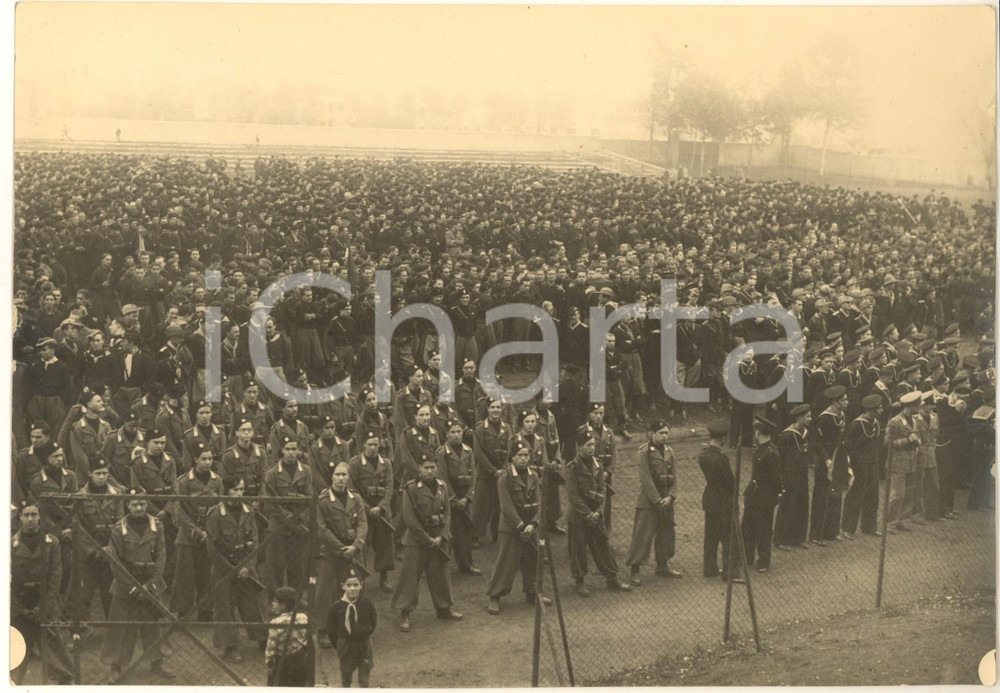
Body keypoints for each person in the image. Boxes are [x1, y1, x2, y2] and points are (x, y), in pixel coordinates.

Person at [101, 494, 175, 683]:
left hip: (151, 583)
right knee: (120, 628)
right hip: (125, 586)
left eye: (142, 504)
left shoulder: (157, 526)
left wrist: (151, 584)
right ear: (128, 505)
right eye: (135, 504)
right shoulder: (118, 529)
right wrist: (132, 588)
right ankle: (115, 666)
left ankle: (157, 662)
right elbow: (115, 562)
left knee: (154, 626)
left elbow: (161, 556)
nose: (139, 508)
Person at [391, 456, 463, 633]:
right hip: (417, 540)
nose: (430, 471)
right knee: (409, 577)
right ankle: (405, 611)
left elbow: (447, 514)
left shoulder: (442, 486)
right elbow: (409, 518)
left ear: (437, 467)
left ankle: (444, 608)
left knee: (441, 575)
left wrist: (442, 536)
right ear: (419, 468)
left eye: (432, 467)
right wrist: (426, 539)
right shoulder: (411, 488)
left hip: (439, 538)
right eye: (426, 467)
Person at [205, 476, 267, 664]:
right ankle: (230, 645)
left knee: (253, 604)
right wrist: (231, 569)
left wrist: (248, 566)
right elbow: (212, 549)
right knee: (225, 608)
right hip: (224, 570)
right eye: (235, 490)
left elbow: (254, 541)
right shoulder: (215, 514)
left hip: (246, 567)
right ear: (226, 492)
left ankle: (262, 638)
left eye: (241, 489)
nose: (240, 493)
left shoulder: (248, 511)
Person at [11, 502, 75, 685]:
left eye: (34, 515)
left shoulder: (51, 542)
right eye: (26, 515)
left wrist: (44, 605)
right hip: (20, 603)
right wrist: (19, 608)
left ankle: (65, 679)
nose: (30, 519)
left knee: (52, 641)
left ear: (40, 517)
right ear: (20, 517)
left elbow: (56, 576)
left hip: (44, 601)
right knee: (18, 646)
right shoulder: (10, 544)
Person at [486, 442, 553, 614]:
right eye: (519, 455)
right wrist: (521, 526)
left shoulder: (534, 475)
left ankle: (533, 592)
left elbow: (539, 501)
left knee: (533, 559)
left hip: (530, 526)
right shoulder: (504, 479)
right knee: (505, 562)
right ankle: (495, 596)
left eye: (526, 455)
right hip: (511, 528)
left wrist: (533, 524)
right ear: (512, 458)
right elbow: (506, 506)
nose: (523, 459)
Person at [565, 430, 632, 596]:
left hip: (596, 514)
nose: (592, 448)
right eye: (588, 445)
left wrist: (598, 512)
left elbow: (603, 489)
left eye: (593, 445)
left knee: (604, 545)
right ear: (579, 447)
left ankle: (612, 578)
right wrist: (588, 514)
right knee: (578, 550)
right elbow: (573, 495)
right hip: (579, 516)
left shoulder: (598, 465)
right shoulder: (572, 467)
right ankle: (580, 581)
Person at [69, 458, 124, 647]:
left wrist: (110, 549)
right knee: (83, 595)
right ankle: (78, 634)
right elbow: (77, 525)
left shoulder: (116, 494)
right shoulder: (80, 496)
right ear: (90, 474)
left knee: (110, 594)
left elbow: (119, 524)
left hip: (109, 553)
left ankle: (113, 635)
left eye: (105, 473)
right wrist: (92, 550)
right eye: (98, 473)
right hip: (87, 555)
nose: (102, 477)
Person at [314, 461, 369, 649]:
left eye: (344, 475)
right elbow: (322, 529)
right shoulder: (323, 501)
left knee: (355, 587)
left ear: (348, 477)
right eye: (337, 475)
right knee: (326, 591)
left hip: (353, 551)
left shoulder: (356, 498)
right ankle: (323, 629)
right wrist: (341, 549)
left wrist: (356, 546)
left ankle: (357, 625)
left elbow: (362, 524)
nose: (341, 478)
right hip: (332, 552)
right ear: (332, 477)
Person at [170, 442, 223, 621]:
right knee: (185, 576)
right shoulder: (184, 481)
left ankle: (205, 611)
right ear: (195, 460)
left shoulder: (217, 480)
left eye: (210, 459)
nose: (208, 462)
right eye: (204, 459)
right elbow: (180, 513)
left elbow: (221, 507)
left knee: (207, 576)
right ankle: (183, 611)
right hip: (188, 537)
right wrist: (197, 532)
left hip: (210, 535)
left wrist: (211, 532)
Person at [626, 421, 682, 585]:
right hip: (649, 501)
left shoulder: (670, 451)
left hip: (667, 500)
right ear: (652, 434)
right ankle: (635, 569)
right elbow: (646, 479)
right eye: (660, 433)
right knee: (642, 535)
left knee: (666, 533)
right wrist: (657, 500)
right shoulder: (644, 452)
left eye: (666, 433)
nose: (664, 436)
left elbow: (675, 477)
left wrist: (671, 497)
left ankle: (662, 565)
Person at [262, 436, 314, 593]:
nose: (291, 452)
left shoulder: (306, 470)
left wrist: (299, 517)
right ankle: (275, 598)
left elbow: (310, 497)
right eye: (288, 449)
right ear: (282, 451)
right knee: (276, 566)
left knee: (297, 566)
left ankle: (295, 598)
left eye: (294, 449)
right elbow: (269, 503)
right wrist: (288, 517)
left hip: (299, 526)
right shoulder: (272, 473)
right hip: (279, 527)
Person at [348, 432, 396, 591]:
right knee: (362, 546)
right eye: (370, 444)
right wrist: (368, 509)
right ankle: (359, 580)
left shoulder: (386, 463)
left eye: (376, 444)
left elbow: (389, 487)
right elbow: (352, 490)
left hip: (382, 512)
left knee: (384, 546)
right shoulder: (355, 464)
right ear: (364, 444)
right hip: (363, 513)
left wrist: (380, 507)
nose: (373, 447)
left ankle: (384, 579)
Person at [436, 420, 481, 575]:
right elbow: (442, 478)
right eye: (453, 432)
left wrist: (467, 498)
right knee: (448, 532)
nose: (456, 435)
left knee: (465, 531)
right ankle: (440, 566)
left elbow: (474, 475)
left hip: (464, 497)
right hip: (449, 499)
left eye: (459, 431)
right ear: (446, 434)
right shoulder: (442, 453)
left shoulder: (468, 451)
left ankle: (466, 564)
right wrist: (454, 500)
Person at [740, 416, 783, 573]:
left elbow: (775, 479)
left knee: (763, 529)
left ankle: (764, 560)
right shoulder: (762, 449)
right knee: (748, 526)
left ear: (759, 432)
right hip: (754, 495)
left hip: (764, 497)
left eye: (756, 431)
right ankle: (748, 556)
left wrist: (774, 496)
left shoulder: (771, 452)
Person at [698, 420, 737, 581]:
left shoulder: (703, 455)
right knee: (728, 537)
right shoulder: (721, 459)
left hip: (710, 499)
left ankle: (710, 567)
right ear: (723, 438)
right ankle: (729, 572)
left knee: (711, 537)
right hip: (723, 501)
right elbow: (729, 481)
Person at [842, 395, 884, 537]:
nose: (882, 410)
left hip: (873, 462)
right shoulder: (857, 425)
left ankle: (869, 526)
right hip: (860, 464)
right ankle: (848, 528)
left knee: (873, 494)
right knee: (856, 494)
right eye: (879, 408)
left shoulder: (876, 423)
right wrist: (854, 465)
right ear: (871, 410)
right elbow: (850, 447)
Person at [327, 570, 378, 688]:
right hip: (346, 645)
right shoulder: (337, 607)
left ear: (361, 585)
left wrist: (365, 635)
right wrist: (339, 644)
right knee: (346, 675)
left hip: (364, 644)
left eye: (355, 585)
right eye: (349, 585)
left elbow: (373, 621)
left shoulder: (366, 604)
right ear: (342, 586)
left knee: (364, 677)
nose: (352, 589)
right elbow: (331, 628)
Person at [472, 399, 512, 544]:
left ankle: (496, 533)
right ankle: (475, 534)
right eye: (493, 407)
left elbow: (510, 450)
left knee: (499, 505)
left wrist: (504, 469)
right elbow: (478, 453)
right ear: (488, 409)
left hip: (502, 472)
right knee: (481, 505)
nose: (496, 410)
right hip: (485, 473)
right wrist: (493, 470)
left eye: (498, 407)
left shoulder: (507, 428)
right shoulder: (480, 428)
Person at [773, 404, 812, 551]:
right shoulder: (787, 435)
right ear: (799, 418)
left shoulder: (806, 433)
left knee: (802, 504)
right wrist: (781, 478)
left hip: (802, 473)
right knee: (787, 505)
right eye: (808, 416)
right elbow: (780, 458)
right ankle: (780, 539)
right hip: (789, 474)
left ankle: (798, 538)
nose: (810, 419)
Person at [886, 391, 922, 534]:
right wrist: (907, 440)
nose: (919, 408)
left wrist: (917, 441)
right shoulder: (895, 422)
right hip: (898, 462)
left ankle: (901, 520)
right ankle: (890, 522)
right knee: (898, 494)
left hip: (911, 462)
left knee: (909, 493)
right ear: (910, 406)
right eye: (917, 406)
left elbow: (916, 436)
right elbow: (888, 443)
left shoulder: (914, 420)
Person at [265, 586, 312, 687]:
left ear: (283, 605)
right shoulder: (303, 618)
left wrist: (270, 665)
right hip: (301, 660)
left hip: (283, 663)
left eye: (275, 602)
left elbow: (271, 648)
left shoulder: (276, 623)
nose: (273, 604)